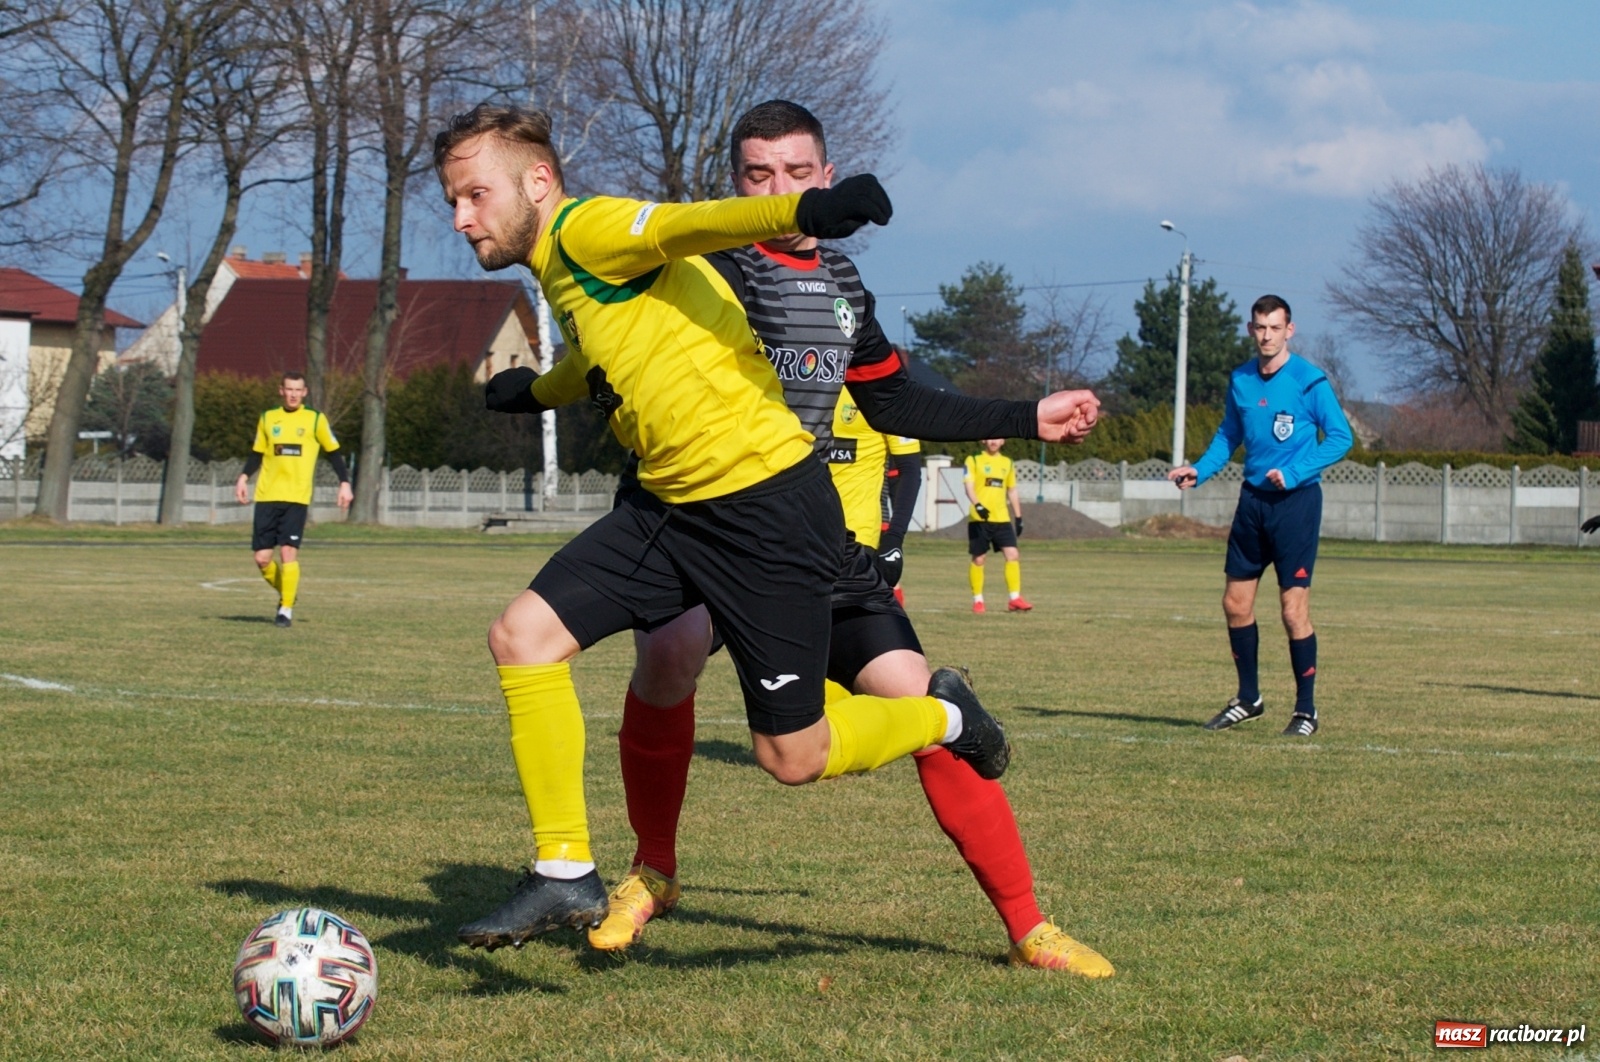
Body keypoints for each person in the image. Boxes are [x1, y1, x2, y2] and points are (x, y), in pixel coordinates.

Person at [434, 104, 1100, 951]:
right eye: (759, 176)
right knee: (554, 640)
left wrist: (1025, 414)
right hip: (680, 505)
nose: (461, 219)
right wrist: (534, 393)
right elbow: (639, 305)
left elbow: (893, 398)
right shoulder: (698, 258)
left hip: (779, 517)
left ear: (825, 175)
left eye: (797, 177)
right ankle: (605, 872)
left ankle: (1019, 900)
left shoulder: (831, 285)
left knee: (811, 745)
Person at [1168, 295, 1353, 736]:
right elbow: (1228, 434)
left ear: (1290, 330)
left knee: (1293, 611)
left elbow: (1341, 438)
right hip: (1252, 504)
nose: (1266, 335)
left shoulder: (1310, 381)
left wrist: (1295, 472)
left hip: (1296, 505)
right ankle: (1249, 698)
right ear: (1251, 330)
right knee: (1235, 603)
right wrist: (1201, 468)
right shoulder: (1242, 380)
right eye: (1259, 327)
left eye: (1275, 327)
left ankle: (1306, 710)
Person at [233, 372, 353, 627]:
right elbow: (257, 453)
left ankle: (285, 610)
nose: (293, 394)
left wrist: (344, 482)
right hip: (267, 496)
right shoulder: (268, 418)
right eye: (289, 389)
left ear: (305, 392)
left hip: (296, 498)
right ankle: (289, 592)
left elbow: (334, 453)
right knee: (262, 559)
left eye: (298, 390)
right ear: (281, 391)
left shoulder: (315, 420)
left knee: (288, 553)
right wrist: (243, 477)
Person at [965, 438, 1029, 613]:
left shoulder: (1007, 463)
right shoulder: (974, 460)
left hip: (1002, 519)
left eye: (998, 438)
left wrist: (1018, 516)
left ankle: (1014, 598)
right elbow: (969, 486)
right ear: (983, 440)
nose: (994, 441)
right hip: (980, 519)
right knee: (979, 559)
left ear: (1003, 441)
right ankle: (978, 600)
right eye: (991, 437)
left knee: (1013, 554)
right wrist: (978, 505)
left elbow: (1012, 490)